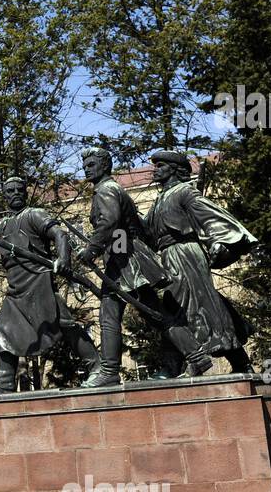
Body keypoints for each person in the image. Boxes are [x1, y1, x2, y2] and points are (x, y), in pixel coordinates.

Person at [0, 177, 98, 393]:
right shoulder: (3, 224)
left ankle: (97, 367)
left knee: (65, 324)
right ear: (4, 195)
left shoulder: (34, 215)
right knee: (2, 331)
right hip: (16, 288)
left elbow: (59, 234)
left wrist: (63, 259)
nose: (15, 192)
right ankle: (5, 384)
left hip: (39, 282)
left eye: (19, 189)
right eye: (10, 190)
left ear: (25, 193)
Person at [143, 151, 257, 376]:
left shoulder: (184, 192)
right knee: (180, 308)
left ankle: (189, 362)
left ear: (174, 169)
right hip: (168, 257)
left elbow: (210, 216)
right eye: (154, 165)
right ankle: (232, 361)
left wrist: (218, 240)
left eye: (160, 165)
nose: (154, 169)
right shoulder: (158, 200)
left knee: (196, 307)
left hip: (186, 255)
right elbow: (147, 232)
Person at [74, 148, 172, 387]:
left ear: (105, 166)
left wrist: (91, 250)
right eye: (85, 164)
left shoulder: (106, 190)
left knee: (109, 313)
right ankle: (192, 354)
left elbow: (109, 223)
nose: (87, 168)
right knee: (153, 313)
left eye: (92, 163)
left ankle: (109, 370)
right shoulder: (112, 189)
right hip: (126, 257)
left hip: (124, 259)